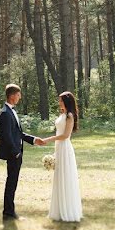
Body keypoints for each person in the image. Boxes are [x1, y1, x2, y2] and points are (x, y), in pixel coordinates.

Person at [0, 83, 44, 220]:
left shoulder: (11, 111)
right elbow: (6, 136)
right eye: (18, 95)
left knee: (13, 182)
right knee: (11, 182)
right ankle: (9, 212)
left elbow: (19, 133)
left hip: (17, 153)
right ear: (12, 96)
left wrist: (34, 140)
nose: (20, 97)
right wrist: (16, 152)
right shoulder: (5, 113)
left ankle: (9, 211)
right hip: (14, 154)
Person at [41, 91, 82, 222]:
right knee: (59, 177)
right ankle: (58, 210)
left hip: (65, 148)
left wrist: (48, 139)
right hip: (59, 148)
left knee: (65, 176)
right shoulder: (63, 114)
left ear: (67, 101)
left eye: (61, 100)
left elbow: (65, 135)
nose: (59, 103)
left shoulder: (70, 116)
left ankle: (67, 210)